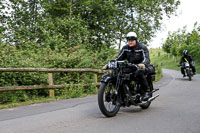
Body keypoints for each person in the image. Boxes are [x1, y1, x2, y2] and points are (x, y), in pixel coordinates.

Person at [115, 31, 151, 101]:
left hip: (141, 67)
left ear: (135, 40)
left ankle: (147, 91)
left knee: (139, 72)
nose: (130, 42)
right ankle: (123, 92)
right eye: (128, 40)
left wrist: (143, 64)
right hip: (130, 67)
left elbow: (147, 58)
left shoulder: (142, 47)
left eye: (132, 40)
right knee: (118, 73)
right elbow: (119, 58)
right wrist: (111, 63)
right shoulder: (125, 48)